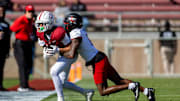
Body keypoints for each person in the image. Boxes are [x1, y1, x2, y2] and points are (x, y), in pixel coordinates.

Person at [61, 13, 156, 101]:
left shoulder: (75, 33)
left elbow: (71, 54)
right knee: (119, 81)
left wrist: (58, 51)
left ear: (72, 24)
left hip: (97, 61)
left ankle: (132, 86)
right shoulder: (79, 31)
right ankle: (147, 91)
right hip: (100, 58)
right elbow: (72, 48)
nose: (66, 26)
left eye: (67, 24)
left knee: (103, 91)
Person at [35, 11, 94, 101]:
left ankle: (60, 98)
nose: (40, 26)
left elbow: (71, 47)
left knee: (53, 72)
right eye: (39, 24)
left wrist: (57, 50)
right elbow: (45, 45)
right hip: (62, 55)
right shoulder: (40, 33)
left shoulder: (59, 32)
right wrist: (46, 50)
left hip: (69, 55)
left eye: (43, 24)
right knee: (62, 82)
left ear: (50, 23)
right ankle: (86, 92)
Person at [10, 5, 36, 91]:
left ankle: (26, 85)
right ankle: (22, 85)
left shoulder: (31, 22)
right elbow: (12, 28)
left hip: (28, 44)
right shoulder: (21, 20)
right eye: (29, 11)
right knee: (22, 65)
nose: (31, 13)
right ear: (25, 12)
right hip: (20, 44)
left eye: (32, 11)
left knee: (29, 64)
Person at [0, 3, 11, 91]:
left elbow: (8, 37)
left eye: (3, 11)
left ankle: (0, 85)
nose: (1, 13)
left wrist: (7, 49)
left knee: (1, 68)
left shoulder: (6, 23)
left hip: (3, 49)